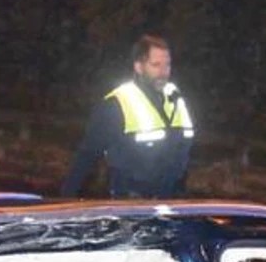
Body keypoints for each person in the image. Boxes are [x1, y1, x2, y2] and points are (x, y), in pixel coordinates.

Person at [60, 35, 194, 200]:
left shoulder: (176, 98)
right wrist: (65, 200)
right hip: (130, 206)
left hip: (173, 203)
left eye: (167, 65)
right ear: (139, 67)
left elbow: (184, 151)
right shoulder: (117, 104)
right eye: (156, 65)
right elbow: (87, 155)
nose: (163, 72)